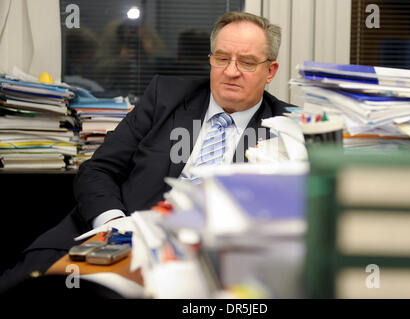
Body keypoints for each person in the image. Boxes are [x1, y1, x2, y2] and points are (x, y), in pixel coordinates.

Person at [0, 11, 293, 293]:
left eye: (247, 62)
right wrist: (115, 226)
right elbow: (98, 169)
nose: (231, 72)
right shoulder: (165, 97)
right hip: (110, 242)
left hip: (202, 265)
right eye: (222, 58)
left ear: (270, 71)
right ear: (211, 60)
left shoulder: (285, 130)